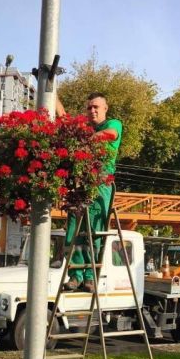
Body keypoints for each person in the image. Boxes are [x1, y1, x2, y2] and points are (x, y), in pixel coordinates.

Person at [58, 93, 123, 291]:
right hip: (81, 181)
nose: (92, 110)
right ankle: (75, 274)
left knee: (93, 231)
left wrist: (90, 139)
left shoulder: (113, 123)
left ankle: (89, 276)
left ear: (105, 108)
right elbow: (64, 118)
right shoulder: (84, 128)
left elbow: (111, 134)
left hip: (101, 183)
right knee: (73, 230)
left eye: (96, 107)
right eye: (89, 108)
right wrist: (51, 91)